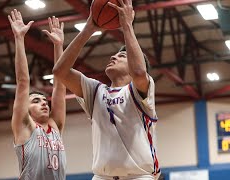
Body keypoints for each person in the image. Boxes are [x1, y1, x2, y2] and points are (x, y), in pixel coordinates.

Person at [53, 0, 160, 179]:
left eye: (122, 55)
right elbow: (59, 72)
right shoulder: (95, 91)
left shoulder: (141, 90)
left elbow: (139, 71)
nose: (113, 56)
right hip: (102, 177)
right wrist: (89, 28)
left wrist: (127, 26)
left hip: (138, 176)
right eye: (115, 54)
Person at [8, 9, 66, 180]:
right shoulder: (25, 126)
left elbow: (60, 88)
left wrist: (58, 46)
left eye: (44, 100)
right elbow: (23, 82)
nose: (44, 103)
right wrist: (19, 38)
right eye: (35, 101)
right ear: (25, 108)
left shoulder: (55, 126)